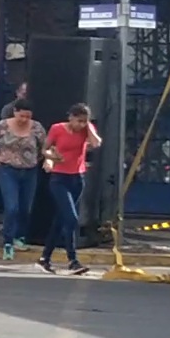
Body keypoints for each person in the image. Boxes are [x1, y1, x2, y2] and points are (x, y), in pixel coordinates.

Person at [0, 100, 45, 260]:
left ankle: (20, 237)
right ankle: (8, 241)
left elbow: (44, 146)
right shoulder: (1, 126)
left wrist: (42, 159)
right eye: (21, 116)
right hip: (8, 170)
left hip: (30, 171)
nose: (24, 120)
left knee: (25, 207)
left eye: (27, 117)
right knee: (12, 206)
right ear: (15, 112)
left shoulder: (37, 127)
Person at [41, 103, 100, 274]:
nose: (80, 125)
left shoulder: (86, 130)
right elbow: (44, 149)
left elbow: (96, 143)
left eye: (84, 121)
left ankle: (45, 257)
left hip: (77, 177)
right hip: (59, 178)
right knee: (71, 218)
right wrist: (52, 157)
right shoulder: (57, 129)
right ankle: (73, 260)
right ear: (70, 117)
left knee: (60, 220)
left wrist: (88, 127)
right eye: (78, 121)